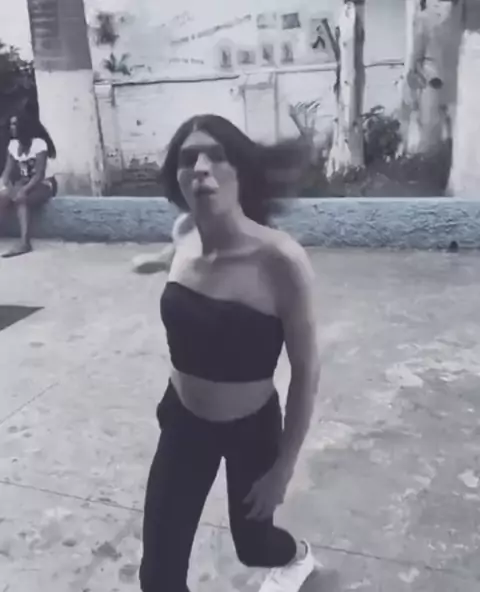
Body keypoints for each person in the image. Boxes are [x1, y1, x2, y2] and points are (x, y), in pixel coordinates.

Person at [138, 114, 321, 592]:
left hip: (251, 429)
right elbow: (181, 246)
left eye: (216, 156)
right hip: (183, 422)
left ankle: (298, 558)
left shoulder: (280, 260)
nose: (200, 167)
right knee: (157, 577)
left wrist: (282, 469)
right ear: (177, 179)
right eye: (187, 159)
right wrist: (155, 261)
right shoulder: (184, 234)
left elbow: (306, 370)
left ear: (240, 170)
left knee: (253, 547)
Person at [0, 113, 57, 258]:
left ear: (23, 126)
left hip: (45, 184)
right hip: (25, 183)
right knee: (3, 198)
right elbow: (6, 173)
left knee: (22, 199)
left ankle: (24, 243)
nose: (11, 127)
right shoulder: (13, 145)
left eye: (14, 124)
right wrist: (10, 189)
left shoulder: (39, 144)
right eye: (11, 124)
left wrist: (22, 191)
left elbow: (39, 175)